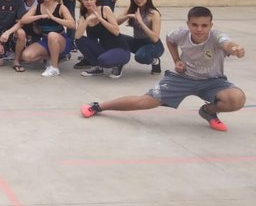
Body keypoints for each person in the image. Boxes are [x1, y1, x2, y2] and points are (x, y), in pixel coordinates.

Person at [81, 7, 247, 132]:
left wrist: (235, 49)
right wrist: (176, 59)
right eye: (195, 25)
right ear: (188, 24)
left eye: (204, 25)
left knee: (236, 98)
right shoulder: (181, 34)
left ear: (211, 25)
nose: (199, 29)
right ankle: (98, 106)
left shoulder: (217, 36)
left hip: (212, 81)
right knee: (144, 102)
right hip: (182, 78)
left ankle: (208, 111)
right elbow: (169, 40)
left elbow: (227, 44)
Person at [19, 0, 76, 77]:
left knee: (52, 35)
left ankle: (54, 68)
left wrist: (54, 18)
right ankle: (56, 57)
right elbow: (24, 20)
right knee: (26, 56)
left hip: (61, 41)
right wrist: (40, 16)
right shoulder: (37, 7)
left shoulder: (60, 7)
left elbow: (72, 24)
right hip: (45, 40)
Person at [75, 0, 131, 78]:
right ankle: (97, 67)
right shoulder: (83, 17)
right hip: (104, 49)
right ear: (81, 0)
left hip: (120, 49)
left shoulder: (105, 9)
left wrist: (100, 19)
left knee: (103, 60)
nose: (89, 2)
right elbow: (77, 37)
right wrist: (87, 20)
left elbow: (116, 32)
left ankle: (118, 64)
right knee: (79, 40)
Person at [116, 0, 164, 75]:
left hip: (153, 45)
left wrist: (141, 22)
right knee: (114, 37)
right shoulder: (131, 9)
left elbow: (155, 38)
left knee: (140, 57)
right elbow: (115, 23)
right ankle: (119, 62)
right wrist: (128, 16)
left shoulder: (154, 13)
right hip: (137, 42)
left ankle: (155, 61)